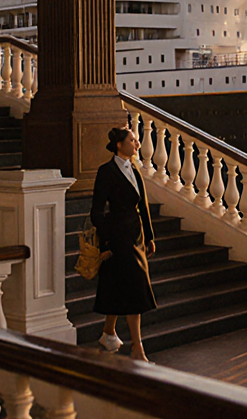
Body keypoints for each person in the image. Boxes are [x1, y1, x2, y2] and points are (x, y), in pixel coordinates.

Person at [91, 126, 157, 362]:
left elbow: (144, 206)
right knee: (134, 289)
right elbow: (96, 212)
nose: (137, 144)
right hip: (117, 237)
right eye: (132, 140)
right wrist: (105, 243)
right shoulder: (106, 171)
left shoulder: (135, 169)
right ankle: (137, 347)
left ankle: (108, 333)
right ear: (119, 144)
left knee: (119, 285)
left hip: (136, 237)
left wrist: (149, 237)